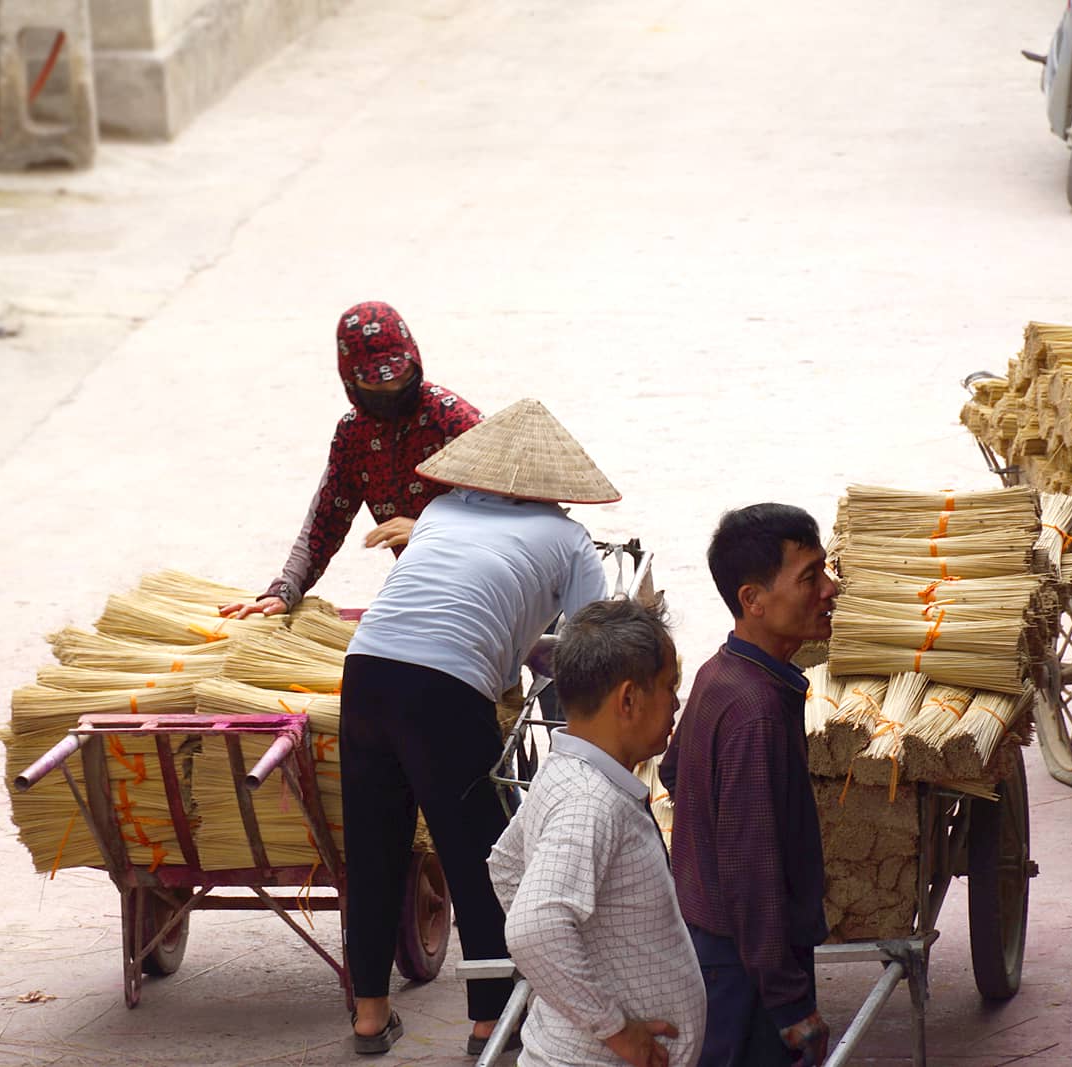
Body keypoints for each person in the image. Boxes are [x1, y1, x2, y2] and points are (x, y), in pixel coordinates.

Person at [338, 398, 617, 1055]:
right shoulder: (570, 540)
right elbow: (586, 654)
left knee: (375, 847)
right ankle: (491, 1019)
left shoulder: (437, 511)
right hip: (443, 687)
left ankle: (369, 1016)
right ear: (558, 487)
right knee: (486, 854)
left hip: (366, 670)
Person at [489, 597, 707, 1067]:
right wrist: (614, 1028)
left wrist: (578, 967)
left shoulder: (564, 771)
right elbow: (533, 928)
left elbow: (506, 868)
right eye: (670, 687)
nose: (675, 703)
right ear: (628, 699)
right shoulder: (590, 802)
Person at [660, 504, 838, 1067]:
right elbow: (751, 872)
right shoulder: (755, 711)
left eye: (824, 571)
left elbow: (672, 769)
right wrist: (789, 1004)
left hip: (715, 947)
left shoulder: (721, 672)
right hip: (743, 967)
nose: (829, 590)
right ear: (752, 600)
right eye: (809, 577)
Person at [220, 301, 482, 619]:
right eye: (375, 383)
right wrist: (285, 590)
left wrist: (428, 531)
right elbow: (325, 520)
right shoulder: (354, 436)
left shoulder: (452, 419)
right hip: (433, 588)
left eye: (400, 378)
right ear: (350, 380)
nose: (391, 390)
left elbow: (518, 518)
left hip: (495, 579)